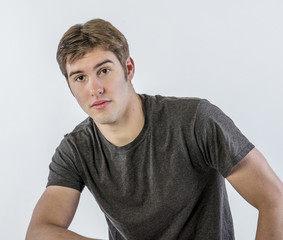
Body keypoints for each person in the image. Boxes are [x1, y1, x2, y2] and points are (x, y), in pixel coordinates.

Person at [26, 18, 283, 240]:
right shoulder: (76, 149)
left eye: (104, 70)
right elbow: (41, 231)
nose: (95, 89)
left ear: (128, 68)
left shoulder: (194, 121)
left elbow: (273, 200)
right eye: (80, 78)